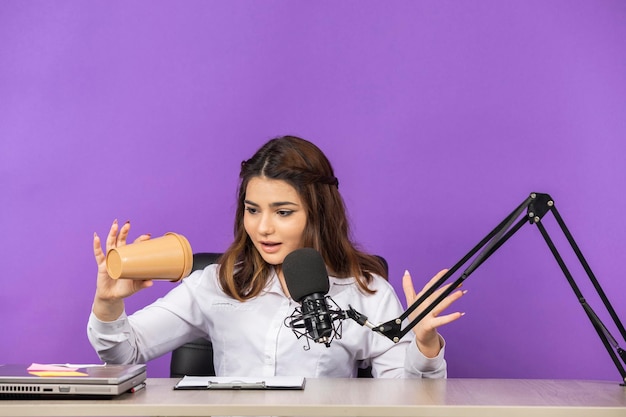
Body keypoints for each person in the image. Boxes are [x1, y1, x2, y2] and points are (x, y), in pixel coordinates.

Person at [88, 135, 465, 378]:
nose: (263, 228)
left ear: (317, 214)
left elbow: (406, 397)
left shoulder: (364, 293)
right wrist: (108, 304)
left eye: (283, 212)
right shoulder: (216, 282)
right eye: (253, 210)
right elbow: (125, 353)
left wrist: (424, 346)